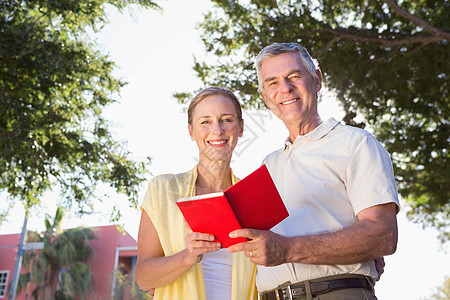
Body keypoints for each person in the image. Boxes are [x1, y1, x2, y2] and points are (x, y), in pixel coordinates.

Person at [227, 42, 400, 300]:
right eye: (272, 82)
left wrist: (287, 249)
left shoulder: (355, 143)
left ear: (317, 80)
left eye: (294, 76)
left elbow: (383, 235)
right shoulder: (267, 165)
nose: (284, 88)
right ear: (265, 96)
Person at [135, 87, 257, 300]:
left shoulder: (253, 198)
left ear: (240, 128)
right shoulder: (163, 189)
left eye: (226, 119)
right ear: (191, 131)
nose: (217, 130)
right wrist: (187, 257)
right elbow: (144, 278)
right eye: (205, 122)